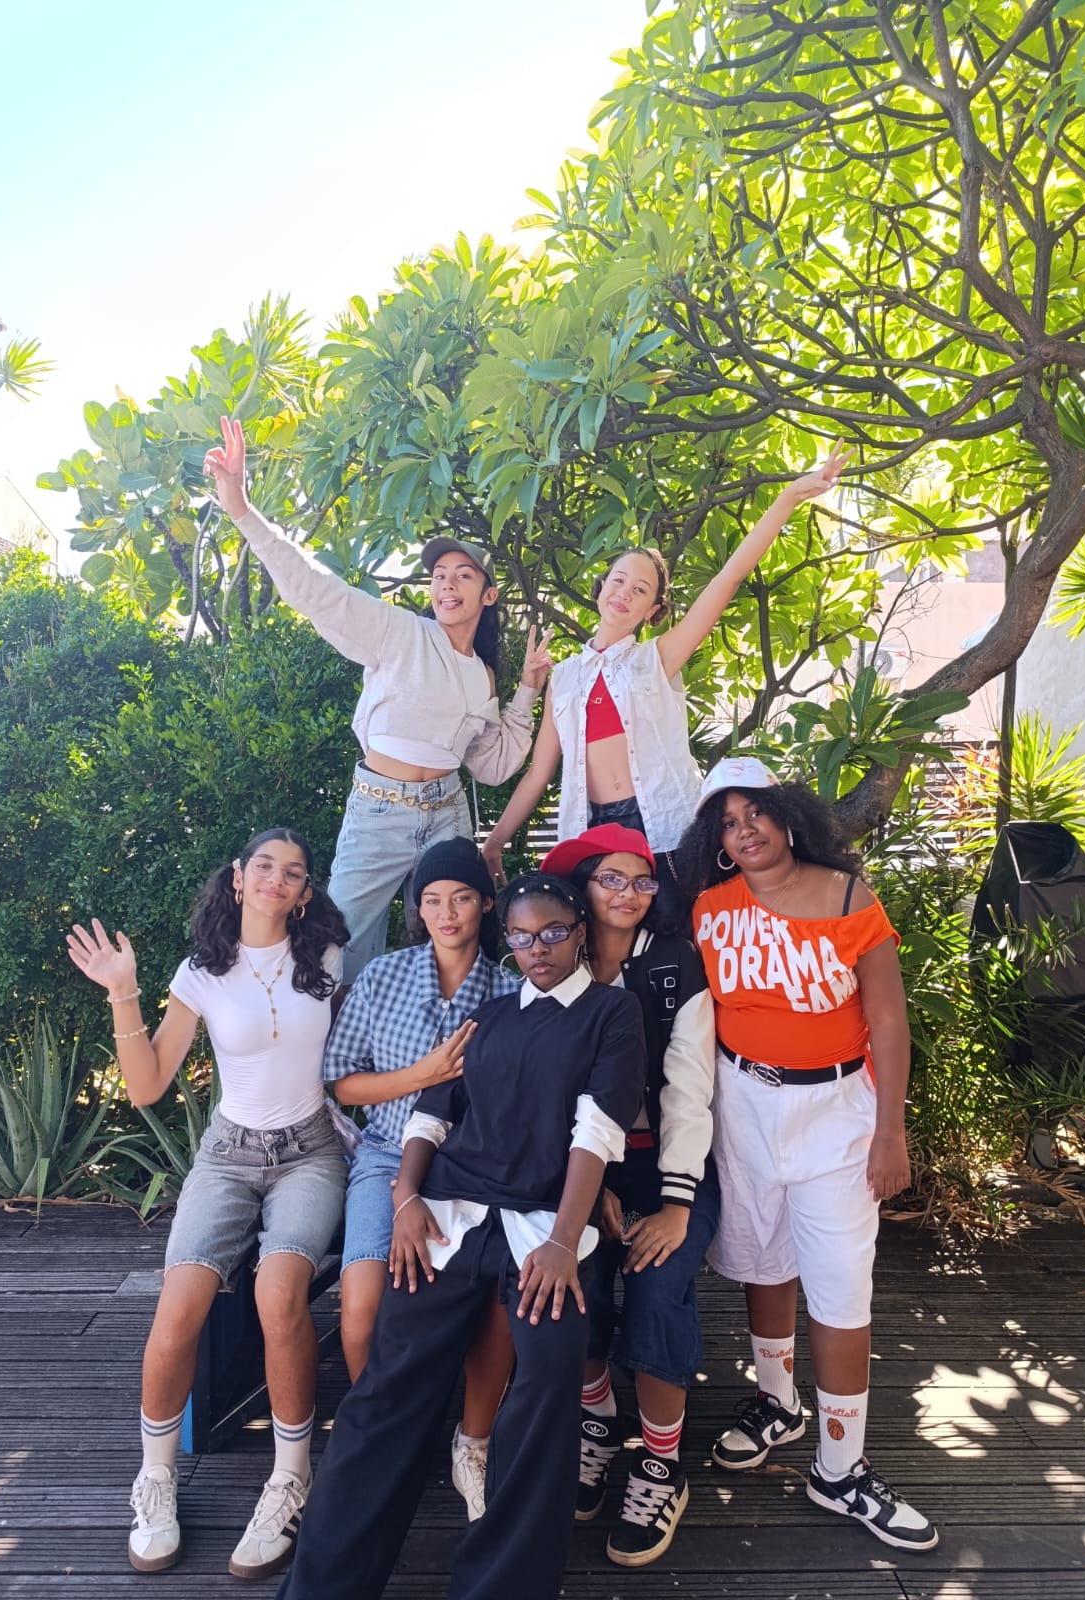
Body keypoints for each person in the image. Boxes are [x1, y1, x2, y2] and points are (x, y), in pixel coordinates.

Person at [275, 873, 646, 1600]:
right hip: (454, 1215)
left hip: (546, 1232)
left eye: (553, 933)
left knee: (544, 1392)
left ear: (579, 931)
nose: (538, 949)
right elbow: (432, 1114)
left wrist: (563, 1241)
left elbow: (597, 1131)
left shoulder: (612, 1012)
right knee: (387, 1392)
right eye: (522, 937)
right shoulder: (492, 1015)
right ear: (508, 942)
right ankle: (323, 1587)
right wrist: (406, 1196)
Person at [65, 828, 350, 1579]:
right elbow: (148, 1084)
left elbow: (354, 1055)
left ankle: (290, 1477)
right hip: (227, 1156)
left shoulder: (325, 960)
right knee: (179, 1303)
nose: (277, 879)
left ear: (305, 893)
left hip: (310, 1153)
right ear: (238, 878)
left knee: (279, 1293)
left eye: (294, 872)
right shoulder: (201, 973)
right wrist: (123, 992)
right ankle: (156, 1478)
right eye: (265, 866)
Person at [673, 757, 938, 1552]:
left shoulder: (849, 897)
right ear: (716, 840)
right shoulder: (707, 908)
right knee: (763, 1258)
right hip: (742, 1104)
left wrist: (890, 1130)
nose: (744, 830)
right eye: (727, 822)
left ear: (787, 815)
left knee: (839, 1287)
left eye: (755, 812)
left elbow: (887, 1023)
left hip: (836, 1110)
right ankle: (778, 1402)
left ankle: (841, 1468)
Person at [203, 415, 552, 979]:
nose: (447, 584)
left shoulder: (483, 677)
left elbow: (492, 767)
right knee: (339, 946)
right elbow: (318, 591)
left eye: (463, 576)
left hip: (448, 812)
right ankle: (333, 1038)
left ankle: (446, 1035)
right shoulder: (401, 633)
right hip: (379, 809)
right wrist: (243, 510)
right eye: (439, 575)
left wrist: (529, 687)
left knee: (453, 946)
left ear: (488, 595)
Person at [481, 446, 850, 886]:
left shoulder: (658, 656)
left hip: (664, 822)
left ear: (653, 610)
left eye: (640, 590)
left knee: (677, 925)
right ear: (601, 587)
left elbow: (728, 577)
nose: (624, 592)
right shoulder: (564, 676)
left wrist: (788, 498)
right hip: (591, 828)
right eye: (618, 580)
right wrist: (495, 841)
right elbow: (540, 771)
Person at [323, 837, 519, 1518]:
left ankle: (474, 1439)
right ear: (417, 908)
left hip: (473, 1166)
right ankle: (385, 1432)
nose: (446, 912)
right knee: (362, 1304)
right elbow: (344, 1083)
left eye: (461, 898)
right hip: (384, 1157)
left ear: (485, 904)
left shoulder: (510, 989)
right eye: (432, 900)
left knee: (492, 1299)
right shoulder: (383, 977)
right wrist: (424, 1075)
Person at [540, 824, 717, 1568]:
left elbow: (689, 1088)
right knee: (570, 1281)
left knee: (658, 1285)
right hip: (581, 1169)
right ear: (581, 888)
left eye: (642, 881)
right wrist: (594, 1187)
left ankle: (662, 1462)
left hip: (672, 1167)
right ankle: (599, 1422)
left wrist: (674, 1205)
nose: (629, 894)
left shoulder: (676, 962)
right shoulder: (555, 960)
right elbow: (548, 1088)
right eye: (610, 879)